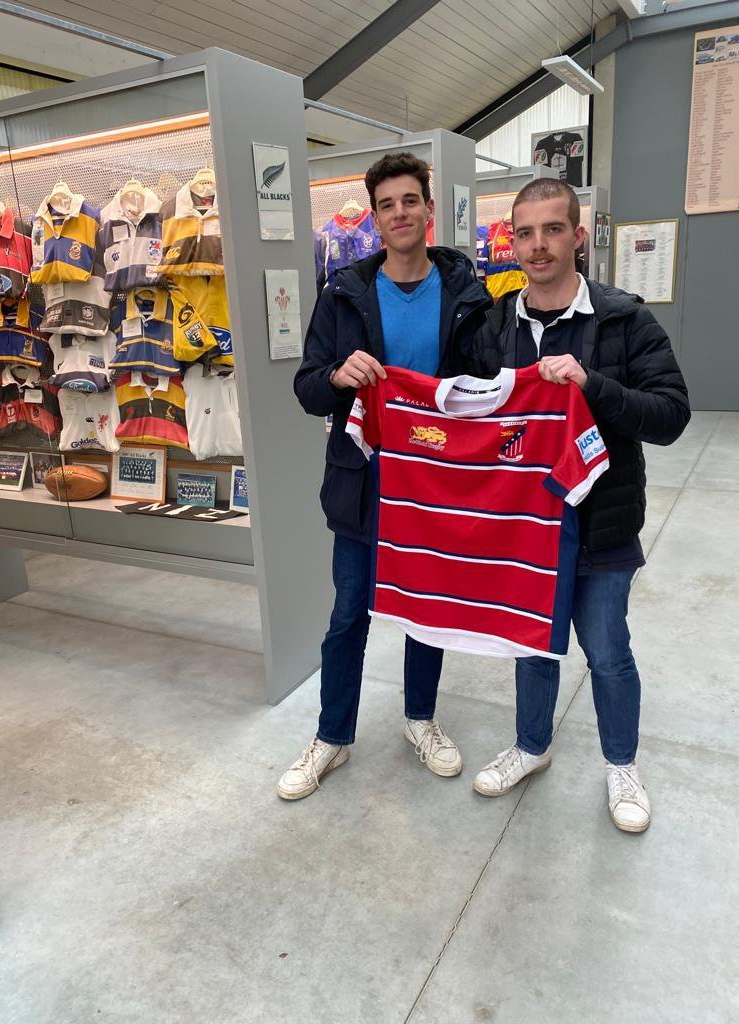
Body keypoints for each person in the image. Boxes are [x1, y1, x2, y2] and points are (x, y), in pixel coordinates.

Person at [465, 178, 690, 832]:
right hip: (523, 531)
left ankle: (622, 765)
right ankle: (532, 747)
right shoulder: (493, 326)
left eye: (553, 230)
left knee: (607, 650)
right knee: (532, 647)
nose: (538, 246)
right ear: (512, 240)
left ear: (578, 236)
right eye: (526, 232)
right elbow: (466, 410)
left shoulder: (624, 319)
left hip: (601, 526)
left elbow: (671, 415)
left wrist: (594, 387)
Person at [283, 152, 491, 800]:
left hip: (435, 484)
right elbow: (306, 386)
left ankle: (421, 720)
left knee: (427, 613)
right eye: (386, 205)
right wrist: (337, 377)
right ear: (373, 219)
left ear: (430, 210)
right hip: (364, 482)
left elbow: (489, 386)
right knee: (349, 614)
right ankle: (332, 735)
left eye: (409, 201)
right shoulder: (343, 293)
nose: (398, 213)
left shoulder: (467, 296)